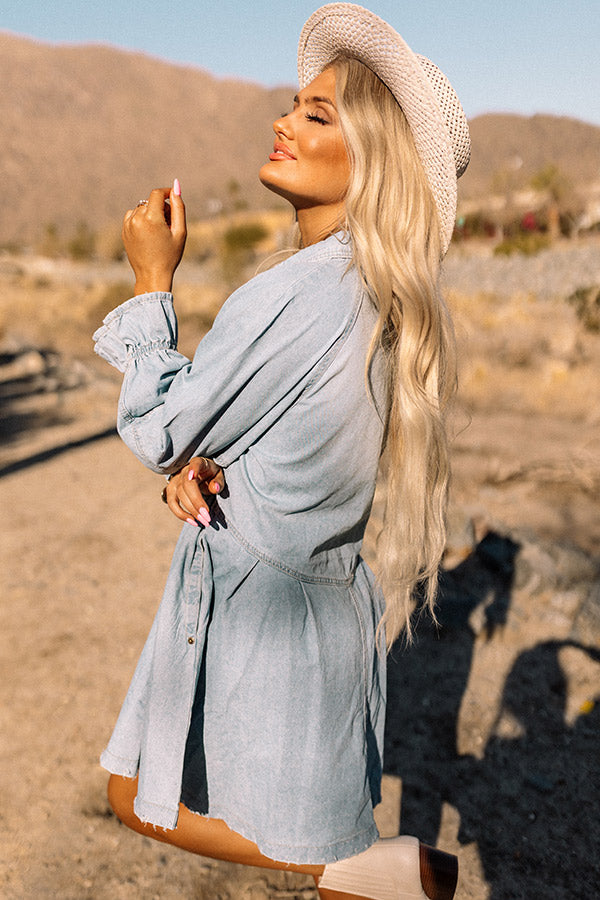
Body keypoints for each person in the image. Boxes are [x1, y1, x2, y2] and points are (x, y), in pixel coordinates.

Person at [93, 4, 470, 898]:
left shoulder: (298, 294)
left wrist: (151, 280)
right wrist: (215, 465)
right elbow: (271, 431)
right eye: (294, 105)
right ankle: (369, 872)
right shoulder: (366, 291)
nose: (284, 121)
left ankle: (385, 871)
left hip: (263, 628)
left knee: (135, 794)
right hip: (320, 625)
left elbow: (161, 428)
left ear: (371, 160)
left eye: (316, 115)